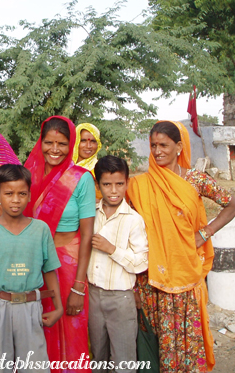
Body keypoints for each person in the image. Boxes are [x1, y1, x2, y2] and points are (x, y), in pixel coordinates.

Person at [127, 121, 235, 372]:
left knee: (185, 342)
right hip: (151, 279)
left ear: (179, 147)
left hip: (186, 276)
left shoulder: (195, 180)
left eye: (164, 145)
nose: (157, 151)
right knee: (155, 345)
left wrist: (206, 232)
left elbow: (233, 204)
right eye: (153, 145)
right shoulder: (138, 185)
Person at [0, 164, 63, 371]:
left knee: (35, 367)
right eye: (9, 193)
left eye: (22, 194)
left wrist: (58, 307)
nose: (16, 199)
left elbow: (50, 271)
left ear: (29, 195)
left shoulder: (40, 230)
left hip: (30, 308)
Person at [24, 116, 96, 372]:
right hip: (35, 266)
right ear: (40, 142)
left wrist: (78, 287)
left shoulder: (81, 178)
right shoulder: (29, 174)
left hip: (68, 267)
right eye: (49, 143)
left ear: (71, 145)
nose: (55, 150)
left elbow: (87, 235)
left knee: (70, 332)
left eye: (62, 144)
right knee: (36, 329)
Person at [87, 155, 148, 372]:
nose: (114, 190)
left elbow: (141, 262)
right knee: (98, 355)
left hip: (121, 299)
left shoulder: (133, 219)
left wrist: (112, 249)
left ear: (127, 183)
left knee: (124, 360)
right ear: (98, 185)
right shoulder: (90, 214)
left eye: (119, 184)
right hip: (93, 296)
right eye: (107, 184)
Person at [73, 123, 103, 200]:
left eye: (93, 141)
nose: (88, 146)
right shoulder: (65, 167)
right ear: (75, 142)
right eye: (83, 141)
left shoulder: (101, 169)